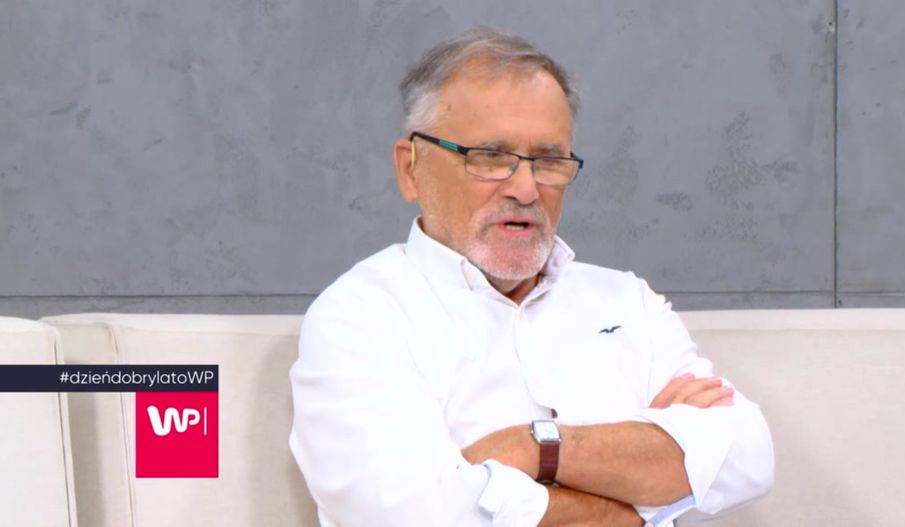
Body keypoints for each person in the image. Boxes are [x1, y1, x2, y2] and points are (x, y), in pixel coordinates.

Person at [290, 27, 773, 527]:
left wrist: (533, 448)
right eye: (490, 157)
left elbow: (746, 459)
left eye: (548, 160)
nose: (524, 188)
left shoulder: (628, 301)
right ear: (410, 169)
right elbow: (410, 514)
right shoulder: (360, 317)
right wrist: (637, 496)